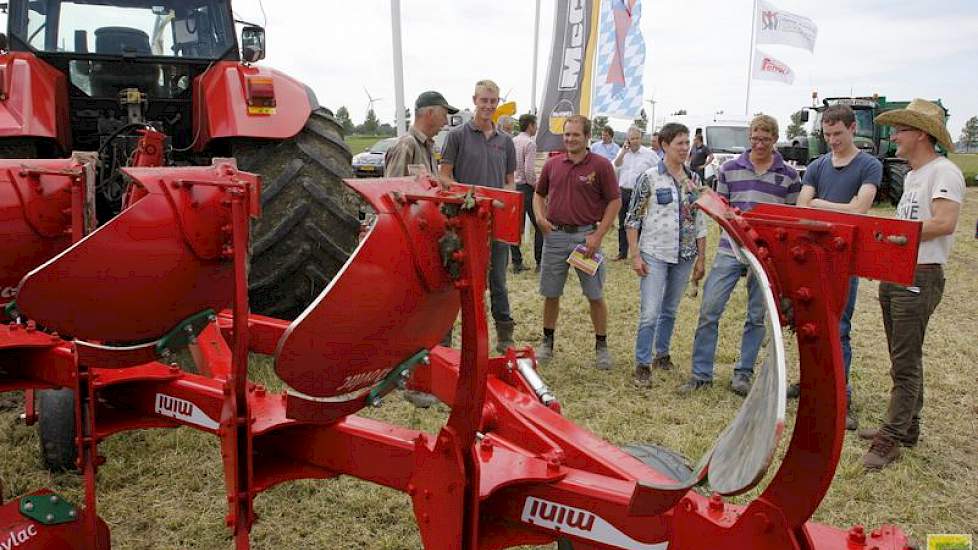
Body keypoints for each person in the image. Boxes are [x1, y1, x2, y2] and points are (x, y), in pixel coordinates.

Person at [859, 99, 964, 469]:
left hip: (920, 275)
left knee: (905, 361)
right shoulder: (916, 174)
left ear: (921, 133)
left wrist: (901, 235)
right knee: (901, 355)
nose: (895, 135)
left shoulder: (943, 172)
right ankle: (907, 427)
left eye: (901, 129)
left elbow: (945, 222)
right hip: (899, 274)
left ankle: (890, 440)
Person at [679, 114, 801, 395]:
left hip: (765, 256)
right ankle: (701, 374)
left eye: (765, 139)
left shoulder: (789, 176)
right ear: (749, 138)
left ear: (775, 139)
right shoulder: (730, 169)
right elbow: (721, 209)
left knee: (756, 316)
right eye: (755, 138)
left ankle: (743, 374)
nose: (759, 144)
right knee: (710, 309)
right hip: (730, 250)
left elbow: (790, 219)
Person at [794, 103, 882, 431]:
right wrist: (833, 208)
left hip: (845, 258)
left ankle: (839, 396)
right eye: (827, 134)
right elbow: (802, 207)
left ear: (852, 127)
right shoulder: (817, 165)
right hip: (814, 256)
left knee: (840, 326)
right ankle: (810, 384)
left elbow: (860, 210)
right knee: (809, 322)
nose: (832, 140)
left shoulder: (869, 165)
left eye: (838, 134)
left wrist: (821, 204)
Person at [533, 115, 621, 370]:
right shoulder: (552, 164)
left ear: (587, 137)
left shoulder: (601, 166)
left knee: (594, 294)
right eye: (567, 134)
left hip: (586, 239)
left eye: (576, 135)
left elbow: (614, 201)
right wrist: (540, 217)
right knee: (551, 293)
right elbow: (539, 195)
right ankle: (547, 342)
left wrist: (597, 236)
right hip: (555, 237)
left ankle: (601, 346)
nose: (570, 139)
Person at [625, 123, 706, 387]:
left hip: (684, 255)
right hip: (654, 253)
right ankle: (642, 364)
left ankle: (662, 353)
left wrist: (701, 257)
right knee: (650, 312)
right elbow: (633, 218)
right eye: (679, 143)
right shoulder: (649, 177)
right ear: (664, 145)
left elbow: (700, 220)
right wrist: (635, 255)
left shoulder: (694, 179)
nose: (684, 148)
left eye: (687, 143)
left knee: (670, 310)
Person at [439, 79, 518, 353]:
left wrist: (505, 199)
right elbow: (445, 176)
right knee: (455, 279)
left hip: (495, 222)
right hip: (463, 222)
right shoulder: (457, 136)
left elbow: (510, 180)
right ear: (474, 100)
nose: (488, 106)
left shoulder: (506, 142)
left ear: (497, 104)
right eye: (483, 100)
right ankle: (444, 340)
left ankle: (505, 334)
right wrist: (466, 198)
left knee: (498, 279)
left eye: (492, 101)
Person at [384, 90, 458, 177]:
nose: (446, 122)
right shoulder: (406, 145)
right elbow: (393, 188)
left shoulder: (429, 147)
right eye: (444, 116)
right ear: (430, 113)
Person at [613, 127, 659, 260]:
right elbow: (615, 166)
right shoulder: (622, 153)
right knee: (622, 223)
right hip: (623, 192)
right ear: (628, 139)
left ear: (641, 139)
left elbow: (659, 169)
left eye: (637, 138)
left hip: (640, 193)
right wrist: (623, 152)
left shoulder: (649, 154)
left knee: (638, 223)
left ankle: (638, 253)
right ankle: (622, 253)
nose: (635, 141)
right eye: (632, 138)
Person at [510, 114, 542, 273]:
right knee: (539, 225)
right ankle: (540, 262)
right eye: (535, 125)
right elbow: (529, 172)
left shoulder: (513, 141)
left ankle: (516, 263)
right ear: (530, 125)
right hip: (526, 188)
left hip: (513, 186)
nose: (536, 128)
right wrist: (538, 187)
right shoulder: (530, 143)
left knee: (514, 227)